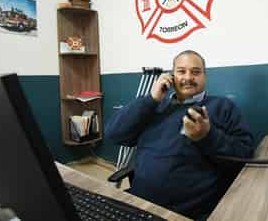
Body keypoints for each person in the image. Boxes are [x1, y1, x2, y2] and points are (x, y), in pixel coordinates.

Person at [105, 50, 254, 220]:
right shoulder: (153, 107)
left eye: (196, 72)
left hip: (190, 212)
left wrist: (207, 136)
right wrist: (151, 99)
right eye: (181, 71)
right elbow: (114, 135)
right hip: (140, 204)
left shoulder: (223, 107)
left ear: (205, 76)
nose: (188, 77)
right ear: (171, 76)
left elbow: (244, 154)